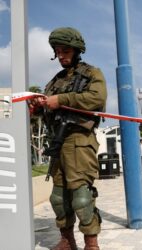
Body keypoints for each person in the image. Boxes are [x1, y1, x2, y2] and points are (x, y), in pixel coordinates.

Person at [28, 27, 107, 250]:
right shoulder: (55, 81)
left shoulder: (92, 74)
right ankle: (67, 240)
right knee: (58, 199)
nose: (61, 55)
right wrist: (38, 107)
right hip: (58, 143)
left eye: (65, 50)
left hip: (79, 142)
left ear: (77, 49)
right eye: (57, 51)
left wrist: (61, 99)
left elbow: (97, 99)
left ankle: (91, 244)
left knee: (82, 198)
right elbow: (48, 109)